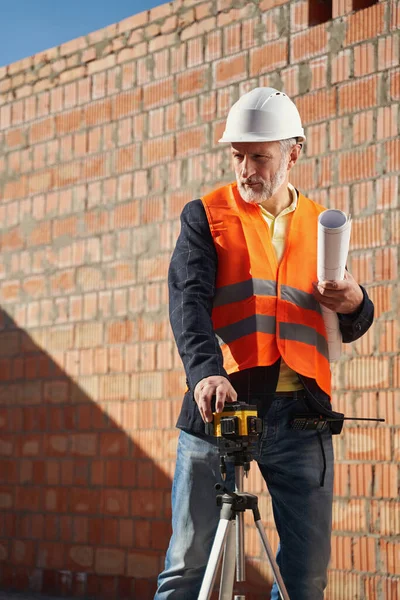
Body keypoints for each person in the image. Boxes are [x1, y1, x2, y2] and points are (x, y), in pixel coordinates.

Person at [154, 87, 374, 600]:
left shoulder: (322, 224)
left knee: (304, 579)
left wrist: (355, 299)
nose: (246, 168)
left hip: (302, 415)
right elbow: (187, 302)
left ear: (293, 152)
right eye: (238, 156)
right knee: (187, 569)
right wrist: (204, 372)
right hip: (221, 404)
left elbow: (350, 319)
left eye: (260, 156)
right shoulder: (206, 215)